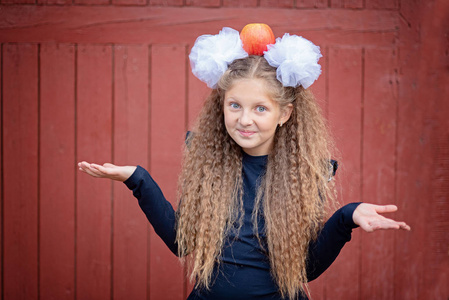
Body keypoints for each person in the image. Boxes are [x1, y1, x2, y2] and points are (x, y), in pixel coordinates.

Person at [78, 25, 410, 300]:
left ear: (284, 114)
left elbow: (305, 269)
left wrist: (346, 217)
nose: (245, 119)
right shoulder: (209, 166)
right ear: (221, 106)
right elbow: (182, 244)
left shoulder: (306, 175)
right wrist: (137, 179)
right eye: (235, 105)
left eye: (260, 108)